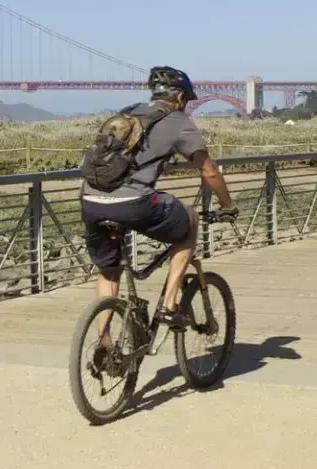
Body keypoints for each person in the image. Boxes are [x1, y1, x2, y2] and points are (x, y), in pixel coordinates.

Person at [79, 66, 239, 326]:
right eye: (186, 100)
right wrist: (227, 205)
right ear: (180, 97)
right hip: (134, 203)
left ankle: (103, 344)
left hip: (91, 200)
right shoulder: (178, 121)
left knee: (109, 271)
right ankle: (169, 305)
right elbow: (209, 171)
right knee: (189, 222)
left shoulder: (127, 113)